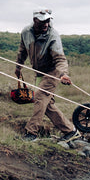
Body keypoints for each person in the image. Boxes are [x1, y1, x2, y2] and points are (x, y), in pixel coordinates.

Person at [14, 8, 79, 141]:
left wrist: (63, 74)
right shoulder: (26, 32)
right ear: (34, 20)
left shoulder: (53, 35)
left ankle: (31, 133)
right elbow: (22, 50)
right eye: (42, 21)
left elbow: (60, 59)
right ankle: (70, 131)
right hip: (39, 72)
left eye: (48, 21)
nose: (46, 24)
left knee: (39, 97)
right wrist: (18, 66)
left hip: (53, 71)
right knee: (46, 104)